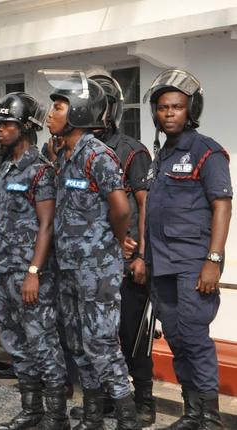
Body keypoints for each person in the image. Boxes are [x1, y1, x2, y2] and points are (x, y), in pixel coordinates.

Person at [43, 70, 139, 429]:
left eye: (58, 107)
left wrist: (112, 242)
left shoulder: (98, 155)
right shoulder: (65, 156)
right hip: (69, 266)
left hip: (97, 267)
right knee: (78, 341)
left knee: (101, 342)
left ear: (79, 111)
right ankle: (94, 416)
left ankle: (128, 419)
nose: (50, 114)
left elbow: (122, 208)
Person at [142, 69, 231, 430]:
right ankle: (192, 412)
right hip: (161, 264)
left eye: (177, 107)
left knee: (194, 337)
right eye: (163, 107)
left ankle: (210, 417)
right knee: (177, 338)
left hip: (193, 264)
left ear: (190, 109)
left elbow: (222, 206)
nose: (169, 113)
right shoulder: (159, 156)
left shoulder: (207, 152)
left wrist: (213, 260)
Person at [0, 92, 69, 430]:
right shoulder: (4, 168)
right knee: (15, 343)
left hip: (30, 275)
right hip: (4, 272)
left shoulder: (40, 171)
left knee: (43, 343)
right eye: (1, 124)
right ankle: (31, 411)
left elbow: (47, 225)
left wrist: (34, 272)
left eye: (7, 125)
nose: (1, 130)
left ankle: (56, 417)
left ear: (26, 127)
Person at [82, 70, 156, 427]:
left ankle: (143, 401)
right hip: (95, 261)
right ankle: (109, 399)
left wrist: (141, 253)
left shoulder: (131, 151)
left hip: (127, 261)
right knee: (101, 335)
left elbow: (145, 205)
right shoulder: (78, 149)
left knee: (132, 332)